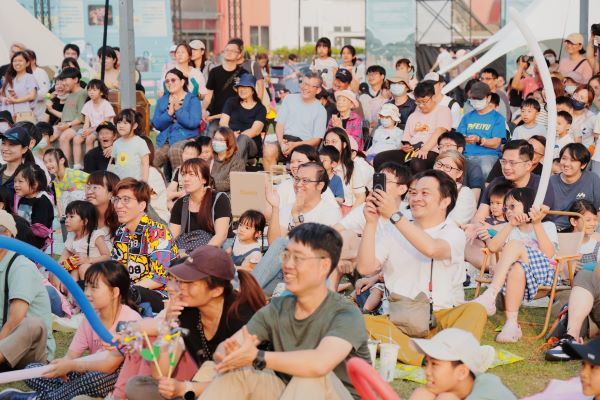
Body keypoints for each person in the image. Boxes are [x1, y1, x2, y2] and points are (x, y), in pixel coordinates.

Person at [200, 223, 370, 400]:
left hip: (332, 393)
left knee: (309, 377)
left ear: (324, 266)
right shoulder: (277, 308)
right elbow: (229, 347)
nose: (287, 265)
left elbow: (319, 364)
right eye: (286, 255)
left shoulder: (345, 314)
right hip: (287, 391)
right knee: (231, 371)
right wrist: (229, 354)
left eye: (298, 258)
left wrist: (256, 356)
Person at [358, 169, 487, 366]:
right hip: (397, 319)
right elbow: (366, 268)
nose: (416, 198)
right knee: (359, 321)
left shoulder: (454, 232)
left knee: (475, 310)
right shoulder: (393, 228)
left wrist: (394, 215)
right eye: (413, 192)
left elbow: (432, 249)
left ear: (445, 201)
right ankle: (431, 357)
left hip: (441, 319)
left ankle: (426, 350)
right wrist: (371, 223)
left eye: (425, 193)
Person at [125, 245, 266, 400]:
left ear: (216, 290)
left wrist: (186, 388)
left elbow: (240, 381)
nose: (181, 288)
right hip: (207, 383)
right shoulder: (186, 311)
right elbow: (160, 373)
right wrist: (168, 324)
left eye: (191, 283)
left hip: (249, 388)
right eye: (181, 281)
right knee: (137, 387)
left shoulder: (242, 317)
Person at [8, 262, 142, 400]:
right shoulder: (90, 318)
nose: (87, 293)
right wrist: (63, 367)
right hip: (87, 373)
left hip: (114, 381)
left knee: (94, 380)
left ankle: (40, 398)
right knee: (32, 370)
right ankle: (54, 394)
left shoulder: (131, 320)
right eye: (86, 286)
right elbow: (71, 356)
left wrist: (71, 365)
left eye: (94, 287)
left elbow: (110, 366)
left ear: (114, 292)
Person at [473, 188, 557, 343]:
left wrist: (537, 223)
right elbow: (493, 247)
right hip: (517, 277)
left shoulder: (547, 225)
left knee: (514, 245)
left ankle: (491, 294)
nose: (508, 211)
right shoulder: (509, 228)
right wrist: (510, 225)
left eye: (512, 206)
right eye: (506, 208)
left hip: (542, 275)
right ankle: (511, 324)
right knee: (517, 268)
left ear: (529, 205)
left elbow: (549, 253)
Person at [111, 178, 178, 312]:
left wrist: (124, 292)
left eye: (126, 200)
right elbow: (117, 269)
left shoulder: (157, 232)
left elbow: (159, 278)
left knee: (131, 294)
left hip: (162, 295)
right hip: (131, 290)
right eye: (117, 199)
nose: (118, 205)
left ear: (142, 205)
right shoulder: (121, 232)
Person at [545, 203, 600, 361]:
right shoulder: (562, 242)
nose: (593, 223)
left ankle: (570, 336)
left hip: (590, 293)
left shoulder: (597, 245)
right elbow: (555, 273)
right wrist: (569, 266)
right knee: (568, 300)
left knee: (583, 277)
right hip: (568, 289)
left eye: (594, 220)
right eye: (588, 220)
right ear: (574, 221)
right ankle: (571, 337)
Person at [0, 210, 54, 370]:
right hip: (5, 343)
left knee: (33, 325)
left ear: (9, 235)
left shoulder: (21, 266)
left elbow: (15, 320)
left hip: (29, 350)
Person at [409, 328, 516, 400]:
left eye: (435, 364)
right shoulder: (457, 389)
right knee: (424, 394)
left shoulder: (488, 392)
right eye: (427, 363)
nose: (427, 372)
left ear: (462, 372)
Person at [374, 81, 452, 174]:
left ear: (433, 97)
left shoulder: (443, 110)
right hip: (412, 151)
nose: (421, 105)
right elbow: (406, 138)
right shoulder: (413, 115)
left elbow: (440, 131)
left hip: (432, 151)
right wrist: (404, 146)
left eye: (424, 101)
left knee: (416, 162)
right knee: (380, 159)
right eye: (418, 102)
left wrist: (425, 149)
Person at [473, 140, 555, 223]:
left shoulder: (542, 185)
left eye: (512, 163)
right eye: (504, 161)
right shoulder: (496, 183)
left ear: (528, 165)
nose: (506, 167)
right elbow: (479, 217)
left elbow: (532, 223)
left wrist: (493, 229)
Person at [262, 72, 326, 173]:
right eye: (304, 83)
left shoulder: (320, 110)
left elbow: (316, 140)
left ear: (318, 90)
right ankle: (272, 180)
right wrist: (281, 143)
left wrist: (294, 145)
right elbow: (280, 124)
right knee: (269, 150)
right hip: (285, 141)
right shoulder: (289, 99)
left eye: (310, 86)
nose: (306, 87)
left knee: (300, 158)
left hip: (304, 145)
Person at [170, 158, 232, 249]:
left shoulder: (219, 199)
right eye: (183, 174)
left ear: (204, 179)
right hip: (186, 252)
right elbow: (172, 237)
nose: (186, 179)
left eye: (191, 174)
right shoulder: (180, 204)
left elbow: (221, 235)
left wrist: (201, 255)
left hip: (213, 251)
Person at [152, 68, 202, 171]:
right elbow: (156, 124)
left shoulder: (192, 99)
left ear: (182, 82)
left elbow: (193, 123)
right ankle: (159, 181)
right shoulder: (162, 100)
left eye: (173, 80)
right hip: (165, 139)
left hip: (186, 137)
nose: (170, 83)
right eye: (167, 81)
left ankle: (180, 180)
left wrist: (178, 110)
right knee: (152, 157)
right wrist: (169, 113)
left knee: (175, 150)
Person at [457, 81, 505, 185]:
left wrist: (479, 140)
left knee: (485, 169)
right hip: (466, 155)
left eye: (479, 99)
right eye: (473, 99)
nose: (476, 102)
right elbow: (458, 137)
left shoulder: (498, 118)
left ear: (488, 98)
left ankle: (483, 194)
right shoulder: (467, 117)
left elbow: (496, 143)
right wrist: (464, 138)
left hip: (487, 156)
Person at [548, 143, 600, 231]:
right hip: (556, 230)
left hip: (583, 230)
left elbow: (598, 211)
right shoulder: (551, 181)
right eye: (564, 158)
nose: (566, 163)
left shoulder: (592, 179)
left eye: (573, 160)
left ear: (583, 165)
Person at [204, 39, 251, 134]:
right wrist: (203, 109)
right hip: (216, 117)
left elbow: (248, 98)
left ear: (239, 55)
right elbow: (208, 95)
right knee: (211, 138)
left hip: (237, 117)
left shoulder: (244, 74)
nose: (229, 52)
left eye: (233, 51)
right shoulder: (214, 72)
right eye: (227, 50)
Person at [323, 128, 373, 211]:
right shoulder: (319, 165)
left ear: (344, 144)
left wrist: (349, 217)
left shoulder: (352, 167)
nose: (329, 145)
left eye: (334, 141)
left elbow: (360, 197)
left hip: (346, 210)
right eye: (327, 142)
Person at [220, 73, 266, 162]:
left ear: (253, 90)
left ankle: (234, 166)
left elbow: (255, 131)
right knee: (215, 139)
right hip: (229, 138)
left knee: (243, 139)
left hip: (251, 143)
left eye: (245, 87)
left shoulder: (260, 108)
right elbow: (223, 122)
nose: (242, 90)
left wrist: (237, 137)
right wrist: (231, 135)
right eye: (240, 87)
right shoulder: (231, 102)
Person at [72, 79, 115, 169]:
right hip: (91, 129)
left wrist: (90, 131)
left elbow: (105, 124)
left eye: (94, 90)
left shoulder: (106, 104)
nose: (91, 92)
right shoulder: (88, 104)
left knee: (89, 139)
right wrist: (84, 131)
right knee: (76, 139)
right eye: (89, 90)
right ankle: (77, 165)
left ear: (101, 92)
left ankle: (89, 164)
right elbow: (86, 122)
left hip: (103, 130)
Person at [12, 163, 53, 250]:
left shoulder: (42, 201)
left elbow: (40, 232)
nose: (16, 185)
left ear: (35, 184)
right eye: (15, 181)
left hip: (34, 244)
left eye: (20, 181)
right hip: (21, 237)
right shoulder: (22, 198)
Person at [52, 68, 87, 162]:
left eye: (65, 80)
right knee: (49, 135)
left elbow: (81, 118)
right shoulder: (70, 94)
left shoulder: (82, 94)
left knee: (64, 137)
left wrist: (68, 125)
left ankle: (65, 165)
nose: (63, 83)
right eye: (62, 80)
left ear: (75, 79)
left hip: (78, 126)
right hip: (67, 125)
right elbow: (66, 115)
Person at [433, 151, 476, 225]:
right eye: (439, 164)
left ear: (459, 173)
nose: (441, 169)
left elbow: (454, 222)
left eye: (447, 167)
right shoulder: (424, 186)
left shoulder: (464, 193)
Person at [111, 109, 150, 181]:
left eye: (125, 123)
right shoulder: (116, 143)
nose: (121, 126)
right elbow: (114, 164)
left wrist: (144, 183)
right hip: (119, 183)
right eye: (119, 122)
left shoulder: (140, 142)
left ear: (134, 125)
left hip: (134, 184)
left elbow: (145, 164)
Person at [0, 51, 38, 123]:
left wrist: (15, 101)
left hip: (23, 116)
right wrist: (4, 99)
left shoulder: (29, 77)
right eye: (14, 61)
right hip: (7, 118)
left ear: (27, 63)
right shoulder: (10, 79)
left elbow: (32, 96)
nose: (17, 63)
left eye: (20, 61)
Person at [0, 126, 35, 197]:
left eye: (11, 144)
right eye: (3, 143)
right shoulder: (1, 169)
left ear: (24, 149)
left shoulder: (30, 176)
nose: (5, 148)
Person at [167, 141, 202, 210]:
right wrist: (179, 194)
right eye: (186, 153)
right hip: (179, 201)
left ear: (198, 156)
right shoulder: (179, 170)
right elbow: (170, 190)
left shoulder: (200, 171)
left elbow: (192, 193)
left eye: (191, 154)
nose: (187, 156)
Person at [210, 127, 245, 193]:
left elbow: (231, 182)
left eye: (221, 140)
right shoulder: (210, 158)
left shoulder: (237, 162)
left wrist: (211, 185)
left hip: (227, 196)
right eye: (215, 139)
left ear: (229, 142)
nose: (217, 142)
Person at [358, 65, 388, 132]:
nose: (371, 76)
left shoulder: (388, 95)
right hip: (365, 132)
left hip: (384, 131)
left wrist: (379, 124)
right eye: (369, 74)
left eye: (375, 74)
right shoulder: (363, 97)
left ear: (382, 76)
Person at [24, 50, 50, 123]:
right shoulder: (23, 74)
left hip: (39, 112)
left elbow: (45, 93)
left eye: (27, 59)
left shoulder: (41, 72)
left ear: (33, 60)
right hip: (25, 112)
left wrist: (28, 96)